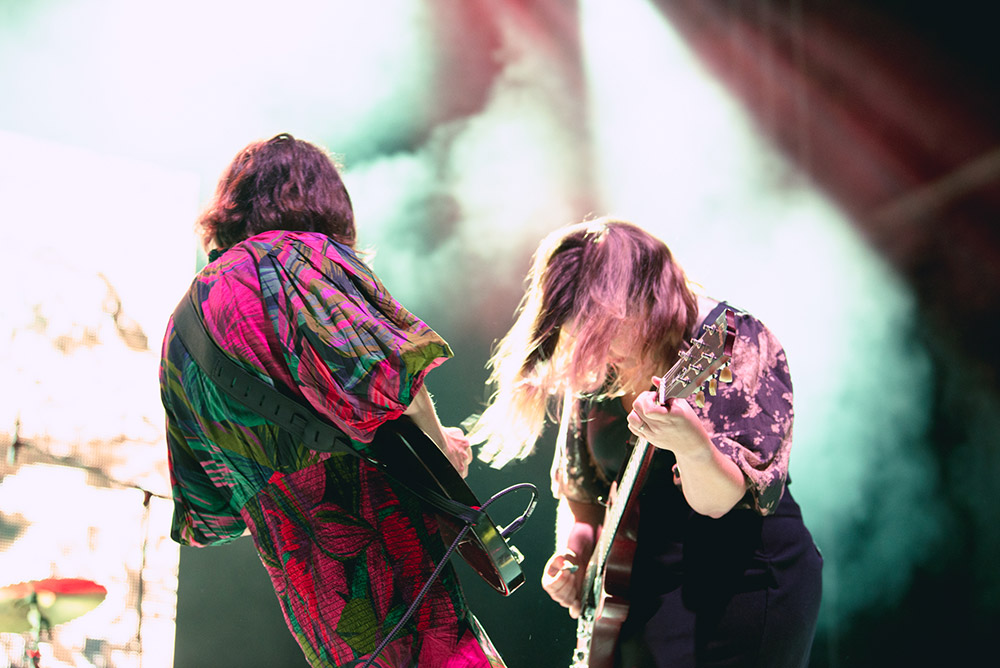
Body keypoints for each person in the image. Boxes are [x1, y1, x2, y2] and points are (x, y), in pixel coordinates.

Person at [159, 133, 505, 667]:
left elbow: (209, 513)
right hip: (387, 553)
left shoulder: (179, 332)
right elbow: (394, 379)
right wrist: (442, 461)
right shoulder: (301, 257)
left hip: (314, 608)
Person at [467, 218, 822, 667]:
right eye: (581, 337)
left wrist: (692, 447)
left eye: (601, 331)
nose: (596, 352)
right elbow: (581, 497)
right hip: (643, 593)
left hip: (743, 582)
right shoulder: (600, 367)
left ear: (643, 301)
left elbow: (720, 502)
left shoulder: (729, 342)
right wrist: (573, 556)